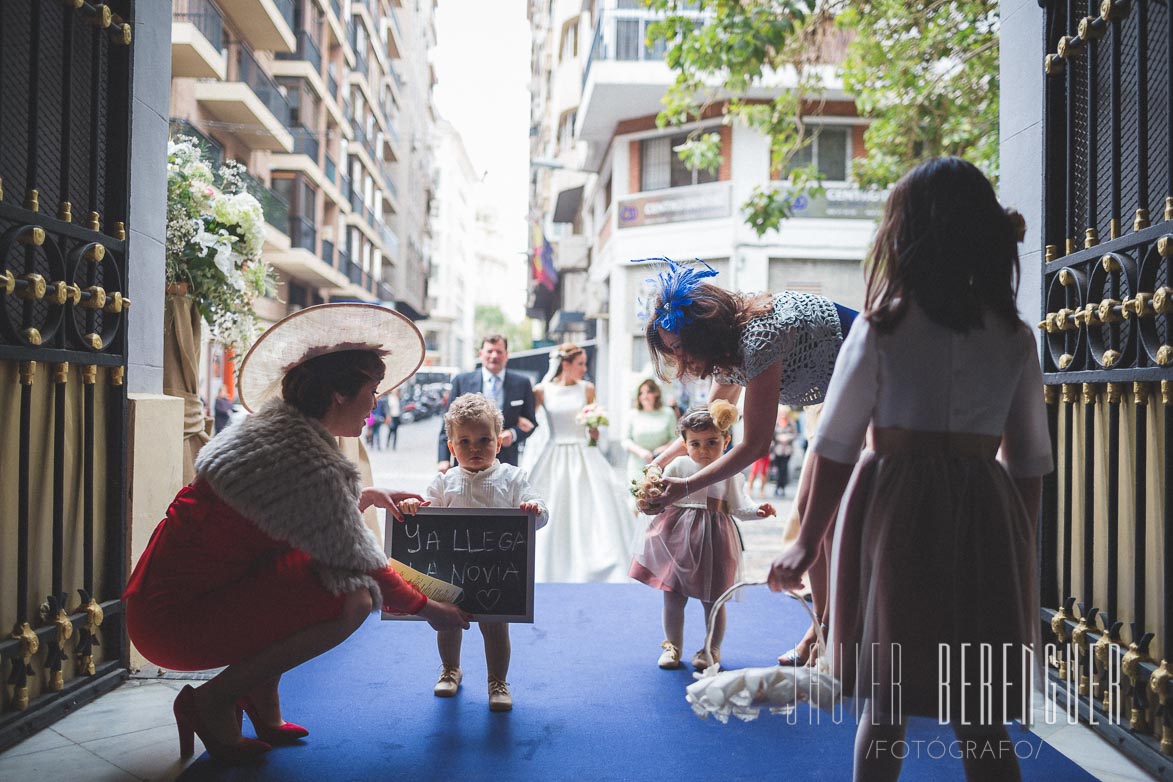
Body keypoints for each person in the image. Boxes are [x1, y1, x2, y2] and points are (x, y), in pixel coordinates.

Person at [769, 157, 1050, 781]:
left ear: (904, 234)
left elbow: (835, 446)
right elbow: (1030, 458)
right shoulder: (1014, 335)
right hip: (984, 517)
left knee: (886, 700)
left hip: (893, 516)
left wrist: (807, 541)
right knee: (980, 711)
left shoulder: (880, 328)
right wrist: (1020, 547)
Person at [123, 303, 471, 763]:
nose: (377, 403)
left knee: (312, 575)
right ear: (338, 396)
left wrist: (364, 496)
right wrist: (431, 609)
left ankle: (261, 704)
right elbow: (366, 564)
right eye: (372, 390)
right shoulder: (312, 462)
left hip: (162, 601)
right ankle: (211, 701)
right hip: (175, 621)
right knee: (356, 597)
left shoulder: (274, 426)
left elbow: (295, 518)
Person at [636, 257, 856, 668]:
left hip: (866, 383)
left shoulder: (758, 339)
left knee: (824, 518)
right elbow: (708, 419)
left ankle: (832, 635)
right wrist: (661, 460)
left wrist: (684, 487)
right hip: (833, 392)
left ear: (703, 335)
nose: (679, 361)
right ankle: (823, 631)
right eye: (669, 351)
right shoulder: (730, 350)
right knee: (814, 515)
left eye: (679, 348)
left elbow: (754, 445)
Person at [399, 394, 548, 712]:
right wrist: (413, 508)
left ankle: (498, 680)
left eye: (484, 440)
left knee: (495, 627)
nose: (475, 448)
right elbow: (425, 517)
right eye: (464, 442)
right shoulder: (444, 482)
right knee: (447, 624)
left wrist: (534, 510)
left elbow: (540, 515)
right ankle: (450, 669)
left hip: (498, 573)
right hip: (450, 574)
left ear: (499, 440)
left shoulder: (513, 478)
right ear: (451, 447)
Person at [630, 401, 775, 671]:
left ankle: (712, 648)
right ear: (684, 444)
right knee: (673, 597)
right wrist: (647, 499)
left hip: (714, 542)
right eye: (695, 444)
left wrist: (758, 511)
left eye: (712, 442)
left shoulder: (729, 472)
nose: (704, 450)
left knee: (714, 600)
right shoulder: (677, 467)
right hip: (675, 540)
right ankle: (673, 645)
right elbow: (656, 500)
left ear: (726, 440)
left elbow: (738, 506)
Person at [525, 343, 634, 582]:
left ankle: (598, 563)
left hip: (584, 452)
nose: (585, 369)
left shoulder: (587, 389)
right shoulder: (542, 391)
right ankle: (547, 564)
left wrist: (594, 430)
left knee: (592, 505)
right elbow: (529, 423)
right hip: (553, 452)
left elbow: (591, 425)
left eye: (585, 364)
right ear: (565, 364)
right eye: (580, 364)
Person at [439, 335, 536, 470]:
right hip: (467, 457)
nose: (494, 355)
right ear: (481, 354)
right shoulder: (461, 381)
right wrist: (443, 459)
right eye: (490, 351)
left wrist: (513, 434)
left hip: (506, 461)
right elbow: (447, 422)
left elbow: (531, 422)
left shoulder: (522, 383)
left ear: (506, 355)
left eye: (499, 351)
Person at [620, 378, 678, 508]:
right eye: (641, 393)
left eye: (648, 392)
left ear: (656, 394)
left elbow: (675, 439)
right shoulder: (633, 414)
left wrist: (662, 449)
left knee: (658, 500)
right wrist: (641, 452)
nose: (644, 396)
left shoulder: (668, 413)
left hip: (661, 463)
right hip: (637, 463)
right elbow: (625, 440)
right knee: (637, 501)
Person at [771, 407, 797, 497]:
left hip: (787, 450)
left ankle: (782, 487)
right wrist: (779, 438)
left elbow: (795, 434)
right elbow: (772, 435)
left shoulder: (791, 423)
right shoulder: (776, 423)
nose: (783, 415)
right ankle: (777, 486)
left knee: (784, 468)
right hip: (777, 449)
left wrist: (787, 437)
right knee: (777, 469)